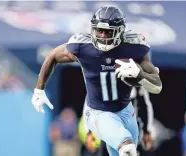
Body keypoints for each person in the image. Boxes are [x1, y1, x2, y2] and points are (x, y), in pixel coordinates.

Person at [31, 5, 162, 156]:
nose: (102, 35)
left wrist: (139, 74)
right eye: (99, 30)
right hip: (98, 112)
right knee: (127, 148)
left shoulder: (134, 48)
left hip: (126, 112)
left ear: (119, 31)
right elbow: (53, 55)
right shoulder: (83, 47)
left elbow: (157, 86)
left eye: (107, 31)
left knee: (125, 151)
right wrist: (39, 89)